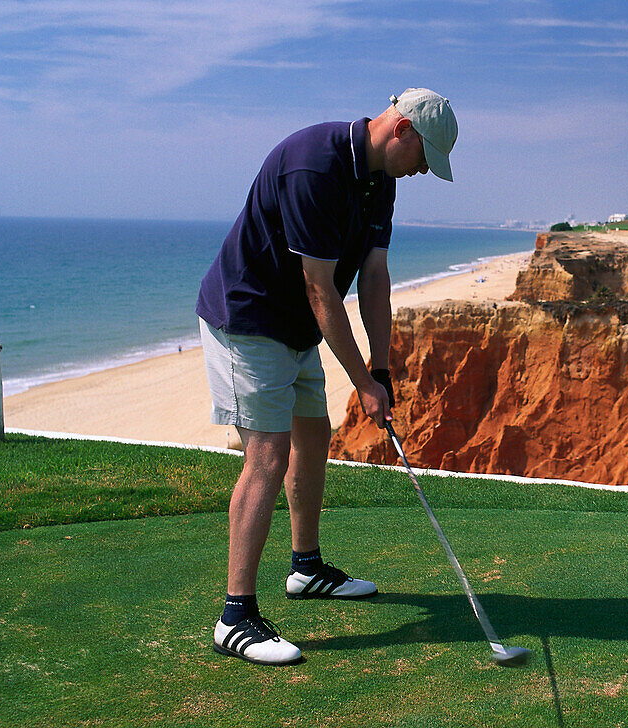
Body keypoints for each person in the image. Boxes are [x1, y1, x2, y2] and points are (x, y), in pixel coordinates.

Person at [196, 88, 457, 665]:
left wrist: (381, 369)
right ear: (403, 130)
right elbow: (320, 288)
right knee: (268, 453)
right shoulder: (315, 163)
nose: (419, 172)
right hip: (249, 319)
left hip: (298, 328)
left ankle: (306, 568)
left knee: (313, 438)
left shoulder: (381, 181)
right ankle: (234, 616)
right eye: (423, 159)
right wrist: (362, 382)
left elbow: (375, 278)